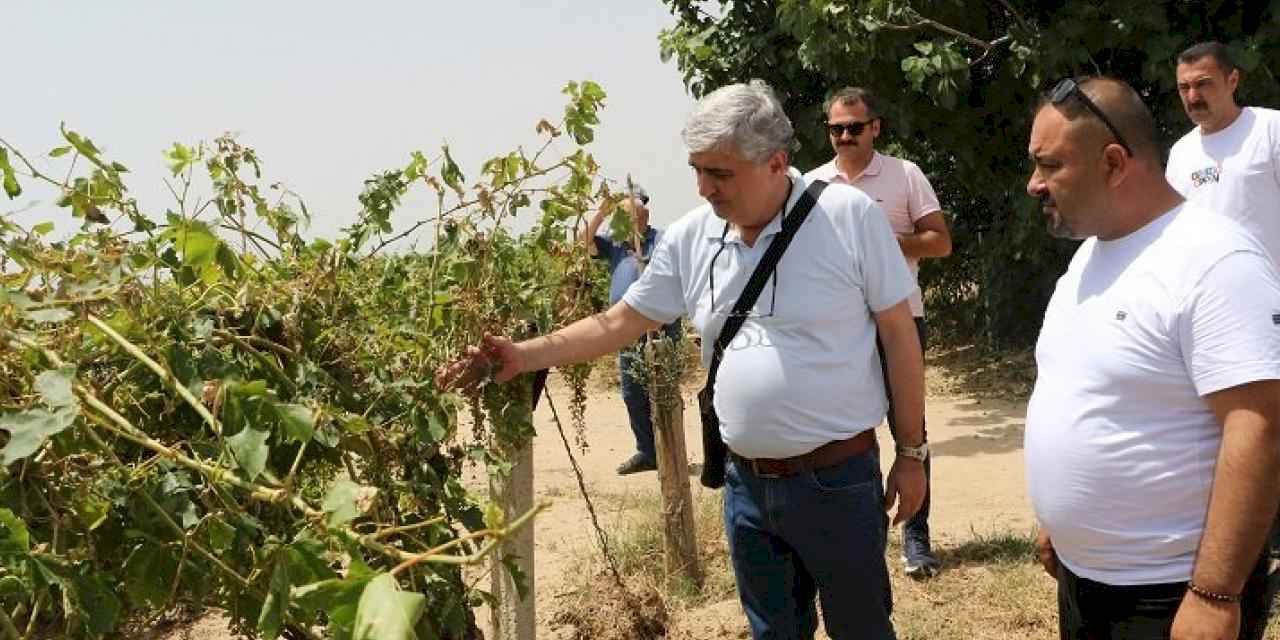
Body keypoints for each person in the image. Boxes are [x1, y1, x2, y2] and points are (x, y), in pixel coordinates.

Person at [438, 80, 927, 640]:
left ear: (776, 162)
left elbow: (898, 334)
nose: (704, 188)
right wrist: (522, 355)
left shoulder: (848, 217)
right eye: (697, 170)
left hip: (836, 482)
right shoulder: (694, 238)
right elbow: (622, 321)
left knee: (861, 629)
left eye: (720, 173)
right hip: (747, 489)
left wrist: (911, 452)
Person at [1024, 75, 1280, 639]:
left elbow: (1259, 425)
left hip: (1172, 593)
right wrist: (1062, 526)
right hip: (1086, 582)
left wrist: (1215, 594)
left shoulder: (1215, 259)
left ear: (1113, 164)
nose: (1033, 184)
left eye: (1050, 165)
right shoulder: (1089, 259)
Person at [806, 86, 952, 578]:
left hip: (898, 322)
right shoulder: (809, 185)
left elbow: (941, 243)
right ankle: (857, 535)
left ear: (876, 127)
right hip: (837, 328)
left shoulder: (904, 175)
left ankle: (917, 539)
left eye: (854, 127)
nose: (845, 136)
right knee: (844, 434)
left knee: (910, 433)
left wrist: (890, 242)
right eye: (836, 128)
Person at [580, 186, 682, 475]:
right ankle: (647, 452)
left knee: (662, 390)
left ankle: (671, 451)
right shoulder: (615, 244)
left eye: (622, 218)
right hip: (625, 329)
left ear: (640, 218)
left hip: (659, 326)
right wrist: (601, 210)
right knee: (632, 392)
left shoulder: (661, 240)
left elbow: (675, 274)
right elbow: (583, 241)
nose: (616, 224)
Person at [1167, 41, 1280, 268]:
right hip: (1210, 296)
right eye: (1184, 87)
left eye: (1203, 84)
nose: (1192, 96)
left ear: (1232, 81)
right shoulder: (1180, 153)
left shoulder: (1271, 129)